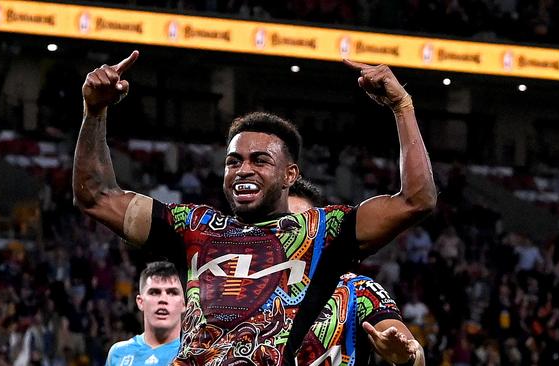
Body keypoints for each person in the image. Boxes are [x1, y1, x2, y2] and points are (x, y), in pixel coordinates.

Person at [73, 50, 436, 365]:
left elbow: (416, 200)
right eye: (234, 161)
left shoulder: (326, 231)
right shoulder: (193, 227)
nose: (243, 169)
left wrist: (402, 107)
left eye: (260, 160)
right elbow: (95, 196)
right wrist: (95, 111)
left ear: (289, 174)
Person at [289, 178, 425, 366]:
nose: (294, 234)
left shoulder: (358, 291)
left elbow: (414, 354)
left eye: (304, 225)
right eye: (285, 226)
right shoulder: (241, 290)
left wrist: (406, 356)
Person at [105, 261, 185, 366]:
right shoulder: (118, 353)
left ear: (184, 304)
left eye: (172, 292)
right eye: (154, 292)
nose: (163, 299)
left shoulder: (197, 355)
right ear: (140, 302)